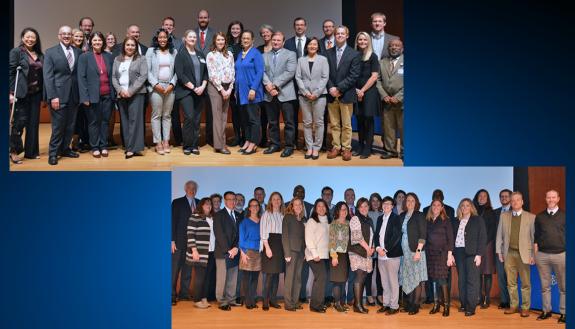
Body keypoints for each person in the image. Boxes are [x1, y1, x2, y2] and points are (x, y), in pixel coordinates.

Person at [43, 25, 82, 166]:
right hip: (58, 96)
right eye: (63, 34)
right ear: (59, 36)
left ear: (72, 36)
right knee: (58, 126)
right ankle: (53, 153)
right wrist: (52, 96)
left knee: (70, 125)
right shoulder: (50, 52)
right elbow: (48, 77)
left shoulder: (77, 52)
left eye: (69, 34)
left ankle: (65, 149)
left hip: (74, 95)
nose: (66, 36)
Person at [495, 191, 535, 317]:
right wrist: (499, 252)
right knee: (511, 282)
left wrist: (534, 255)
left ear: (522, 202)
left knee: (525, 283)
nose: (515, 202)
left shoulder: (531, 217)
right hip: (509, 253)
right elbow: (499, 235)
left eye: (518, 200)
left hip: (524, 254)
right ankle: (513, 305)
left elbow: (534, 238)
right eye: (513, 200)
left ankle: (525, 307)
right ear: (510, 203)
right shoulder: (504, 216)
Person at [325, 26, 360, 161]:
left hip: (346, 94)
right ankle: (336, 147)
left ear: (347, 36)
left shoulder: (354, 54)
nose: (339, 35)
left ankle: (346, 148)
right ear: (334, 36)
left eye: (342, 33)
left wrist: (339, 89)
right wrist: (331, 88)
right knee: (334, 124)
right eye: (337, 33)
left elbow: (354, 75)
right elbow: (325, 74)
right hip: (331, 94)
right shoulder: (327, 53)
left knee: (346, 124)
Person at [9, 27, 43, 164]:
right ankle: (13, 150)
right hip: (21, 94)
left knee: (33, 124)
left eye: (33, 37)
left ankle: (31, 152)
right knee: (18, 123)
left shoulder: (39, 54)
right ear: (22, 38)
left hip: (35, 94)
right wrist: (10, 93)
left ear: (36, 40)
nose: (30, 39)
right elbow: (10, 72)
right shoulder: (16, 52)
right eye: (27, 37)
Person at [77, 31, 115, 158]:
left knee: (105, 121)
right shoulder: (84, 57)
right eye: (95, 40)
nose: (97, 42)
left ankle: (104, 145)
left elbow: (112, 76)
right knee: (93, 122)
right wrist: (84, 97)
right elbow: (81, 78)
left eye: (99, 40)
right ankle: (95, 146)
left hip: (107, 95)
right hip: (92, 96)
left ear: (103, 42)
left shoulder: (109, 56)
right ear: (90, 42)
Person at [262, 31, 297, 158]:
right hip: (269, 93)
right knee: (272, 122)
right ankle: (275, 144)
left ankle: (289, 146)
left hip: (286, 93)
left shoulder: (291, 54)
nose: (276, 42)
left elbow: (290, 72)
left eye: (278, 40)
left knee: (289, 122)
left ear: (283, 42)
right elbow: (262, 72)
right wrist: (269, 86)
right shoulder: (264, 55)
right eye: (274, 40)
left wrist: (275, 85)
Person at [112, 36, 148, 159]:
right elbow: (113, 77)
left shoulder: (141, 59)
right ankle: (128, 146)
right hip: (121, 94)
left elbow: (143, 76)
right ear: (124, 46)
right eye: (128, 45)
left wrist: (130, 91)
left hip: (136, 94)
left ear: (136, 47)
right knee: (125, 121)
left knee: (135, 121)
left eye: (133, 45)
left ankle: (134, 148)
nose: (130, 47)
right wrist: (120, 90)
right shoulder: (117, 59)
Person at [174, 30, 208, 156]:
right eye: (190, 37)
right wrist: (194, 88)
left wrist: (203, 86)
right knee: (189, 117)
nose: (193, 38)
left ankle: (194, 144)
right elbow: (180, 74)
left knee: (197, 119)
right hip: (186, 92)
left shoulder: (200, 54)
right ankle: (187, 145)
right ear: (185, 39)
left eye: (194, 37)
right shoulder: (181, 55)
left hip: (200, 92)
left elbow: (206, 73)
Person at [534, 190, 565, 323]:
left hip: (561, 255)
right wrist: (535, 253)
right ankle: (546, 311)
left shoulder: (565, 215)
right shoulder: (539, 217)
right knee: (544, 286)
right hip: (542, 255)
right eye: (548, 197)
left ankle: (564, 313)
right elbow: (536, 236)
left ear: (558, 199)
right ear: (545, 199)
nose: (551, 199)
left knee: (564, 287)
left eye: (553, 197)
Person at [295, 37, 329, 160]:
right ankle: (309, 147)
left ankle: (316, 148)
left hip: (319, 96)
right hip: (304, 96)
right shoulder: (301, 60)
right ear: (307, 46)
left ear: (318, 46)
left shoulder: (323, 60)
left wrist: (316, 92)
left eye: (315, 44)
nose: (312, 46)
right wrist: (305, 92)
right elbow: (298, 77)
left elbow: (325, 77)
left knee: (319, 122)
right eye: (310, 44)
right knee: (307, 122)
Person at [452, 198, 487, 316]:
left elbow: (482, 238)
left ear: (471, 207)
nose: (465, 207)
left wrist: (479, 254)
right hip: (459, 252)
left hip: (472, 253)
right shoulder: (456, 221)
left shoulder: (478, 220)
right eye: (462, 205)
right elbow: (452, 238)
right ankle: (463, 304)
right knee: (462, 279)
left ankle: (471, 307)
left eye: (467, 205)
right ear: (460, 208)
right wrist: (451, 253)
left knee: (472, 280)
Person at [146, 28, 177, 155]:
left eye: (165, 37)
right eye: (160, 37)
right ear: (157, 39)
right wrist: (155, 84)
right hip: (156, 88)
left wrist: (172, 84)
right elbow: (147, 71)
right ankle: (158, 142)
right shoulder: (150, 51)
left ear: (168, 38)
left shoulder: (173, 51)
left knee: (167, 115)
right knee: (156, 115)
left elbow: (177, 71)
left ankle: (166, 141)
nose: (162, 39)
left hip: (170, 87)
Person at [235, 30, 264, 155]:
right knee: (245, 119)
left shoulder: (256, 53)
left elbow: (260, 72)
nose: (245, 40)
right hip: (241, 93)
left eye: (248, 38)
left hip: (252, 92)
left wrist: (253, 88)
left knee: (253, 119)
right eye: (243, 38)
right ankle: (247, 140)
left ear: (252, 40)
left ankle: (254, 143)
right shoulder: (240, 54)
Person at [171, 180, 200, 305]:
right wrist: (171, 240)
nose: (192, 190)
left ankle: (184, 294)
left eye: (194, 188)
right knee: (174, 270)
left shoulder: (199, 203)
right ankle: (171, 295)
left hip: (193, 244)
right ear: (185, 189)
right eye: (189, 187)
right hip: (178, 242)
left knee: (187, 271)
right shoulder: (177, 203)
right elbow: (172, 222)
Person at [206, 32, 235, 155]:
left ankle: (222, 142)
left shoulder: (229, 54)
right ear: (214, 41)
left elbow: (233, 71)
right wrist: (221, 89)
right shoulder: (210, 55)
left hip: (227, 87)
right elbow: (212, 74)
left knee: (224, 117)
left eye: (222, 40)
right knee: (217, 117)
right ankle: (219, 145)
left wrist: (230, 89)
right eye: (218, 40)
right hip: (215, 88)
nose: (220, 42)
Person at [353, 31, 380, 159]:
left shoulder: (373, 56)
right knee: (359, 119)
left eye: (365, 40)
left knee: (368, 120)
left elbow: (374, 76)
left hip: (369, 92)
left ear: (368, 42)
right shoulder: (354, 56)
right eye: (360, 40)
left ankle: (368, 148)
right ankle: (360, 146)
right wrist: (357, 90)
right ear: (357, 42)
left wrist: (362, 90)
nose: (362, 42)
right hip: (356, 91)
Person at [399, 192, 427, 315]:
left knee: (417, 279)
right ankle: (409, 303)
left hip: (416, 252)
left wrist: (418, 251)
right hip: (404, 254)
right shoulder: (402, 216)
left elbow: (423, 234)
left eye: (412, 201)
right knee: (408, 278)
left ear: (416, 203)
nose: (410, 202)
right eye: (408, 200)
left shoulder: (419, 215)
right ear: (405, 203)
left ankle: (415, 304)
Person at [425, 200, 455, 316]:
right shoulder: (428, 221)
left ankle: (446, 306)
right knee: (433, 280)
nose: (436, 207)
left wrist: (449, 255)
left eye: (438, 205)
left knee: (442, 280)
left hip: (442, 254)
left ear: (442, 207)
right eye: (434, 205)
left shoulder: (446, 220)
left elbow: (450, 239)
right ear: (431, 207)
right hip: (430, 254)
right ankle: (436, 305)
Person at [285, 17, 311, 147]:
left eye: (302, 25)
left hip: (309, 84)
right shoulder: (288, 43)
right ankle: (293, 141)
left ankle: (309, 143)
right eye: (297, 25)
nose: (299, 27)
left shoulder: (312, 42)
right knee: (292, 116)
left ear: (305, 27)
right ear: (294, 27)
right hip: (292, 85)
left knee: (309, 117)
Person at [374, 196, 402, 315]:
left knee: (393, 281)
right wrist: (378, 248)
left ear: (392, 206)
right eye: (384, 203)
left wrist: (385, 249)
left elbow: (396, 236)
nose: (386, 205)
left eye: (388, 204)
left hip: (392, 255)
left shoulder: (396, 218)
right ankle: (386, 304)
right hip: (380, 255)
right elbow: (376, 235)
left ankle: (394, 306)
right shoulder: (380, 218)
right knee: (384, 282)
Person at [376, 39, 404, 160]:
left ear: (402, 48)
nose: (394, 48)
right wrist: (384, 96)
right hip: (387, 101)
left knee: (404, 129)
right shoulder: (382, 62)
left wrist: (399, 97)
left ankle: (404, 152)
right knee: (388, 128)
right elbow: (378, 81)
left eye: (397, 46)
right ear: (388, 48)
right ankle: (390, 150)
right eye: (391, 46)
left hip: (402, 102)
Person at [187, 197, 216, 308]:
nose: (208, 206)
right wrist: (194, 250)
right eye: (206, 204)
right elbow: (190, 234)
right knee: (200, 277)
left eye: (210, 204)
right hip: (200, 253)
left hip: (211, 252)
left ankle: (204, 298)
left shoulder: (212, 218)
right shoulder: (195, 217)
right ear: (201, 206)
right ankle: (197, 300)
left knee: (207, 277)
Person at [214, 191, 241, 311]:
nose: (232, 201)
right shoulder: (219, 215)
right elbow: (219, 234)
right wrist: (228, 250)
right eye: (229, 199)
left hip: (234, 252)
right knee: (222, 278)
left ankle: (231, 299)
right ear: (225, 201)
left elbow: (239, 234)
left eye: (234, 199)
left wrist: (236, 248)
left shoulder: (238, 215)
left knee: (232, 277)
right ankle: (222, 301)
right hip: (223, 252)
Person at [348, 197, 374, 313]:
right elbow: (357, 236)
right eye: (361, 206)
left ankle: (358, 304)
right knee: (359, 276)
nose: (364, 208)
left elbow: (372, 236)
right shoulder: (355, 218)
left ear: (369, 207)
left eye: (366, 206)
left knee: (363, 276)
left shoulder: (368, 220)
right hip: (357, 251)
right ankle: (357, 305)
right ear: (358, 208)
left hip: (367, 251)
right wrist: (368, 248)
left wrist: (372, 247)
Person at [260, 191, 285, 310]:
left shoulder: (282, 215)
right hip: (270, 245)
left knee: (276, 276)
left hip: (280, 246)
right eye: (274, 199)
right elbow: (263, 233)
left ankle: (273, 300)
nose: (276, 201)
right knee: (269, 275)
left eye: (278, 199)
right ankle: (265, 301)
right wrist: (267, 248)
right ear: (270, 201)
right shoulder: (266, 214)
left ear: (281, 201)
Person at [472, 189, 497, 308]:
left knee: (487, 273)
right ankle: (479, 297)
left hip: (487, 245)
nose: (482, 197)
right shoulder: (472, 211)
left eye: (484, 196)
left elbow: (492, 230)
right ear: (477, 198)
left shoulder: (491, 212)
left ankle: (487, 297)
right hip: (474, 246)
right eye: (480, 196)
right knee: (477, 273)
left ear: (487, 198)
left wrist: (483, 243)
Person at [305, 199, 330, 313]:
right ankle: (315, 305)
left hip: (324, 255)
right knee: (321, 277)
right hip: (314, 255)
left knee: (320, 279)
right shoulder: (312, 221)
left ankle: (318, 303)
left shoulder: (328, 221)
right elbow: (309, 239)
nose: (321, 208)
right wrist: (314, 253)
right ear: (315, 209)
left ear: (326, 208)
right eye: (318, 206)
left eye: (323, 206)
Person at [282, 198, 306, 311]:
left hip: (300, 252)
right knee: (290, 278)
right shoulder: (288, 217)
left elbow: (303, 237)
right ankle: (288, 304)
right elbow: (285, 236)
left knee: (297, 278)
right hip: (291, 251)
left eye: (300, 204)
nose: (298, 206)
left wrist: (305, 251)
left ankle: (295, 302)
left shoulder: (301, 219)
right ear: (292, 206)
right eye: (295, 204)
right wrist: (287, 253)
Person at [195, 9, 214, 146]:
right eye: (201, 17)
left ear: (209, 19)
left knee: (211, 111)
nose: (203, 19)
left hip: (211, 79)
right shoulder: (191, 35)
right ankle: (195, 139)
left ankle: (210, 138)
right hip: (195, 79)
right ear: (198, 19)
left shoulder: (214, 34)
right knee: (195, 111)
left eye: (205, 17)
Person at [239, 198, 262, 310]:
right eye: (252, 205)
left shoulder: (262, 220)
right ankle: (248, 301)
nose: (254, 207)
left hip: (258, 253)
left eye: (256, 205)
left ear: (259, 207)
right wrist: (242, 253)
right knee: (246, 278)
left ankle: (252, 300)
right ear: (249, 208)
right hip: (247, 252)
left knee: (254, 278)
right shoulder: (245, 222)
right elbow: (241, 239)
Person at [225, 21, 244, 147]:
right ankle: (237, 136)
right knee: (235, 112)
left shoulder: (245, 45)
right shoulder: (227, 45)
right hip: (231, 84)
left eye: (238, 28)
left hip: (242, 83)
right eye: (233, 28)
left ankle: (245, 137)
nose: (235, 30)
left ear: (241, 30)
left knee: (244, 112)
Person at [329, 202, 350, 312]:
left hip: (346, 255)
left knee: (343, 280)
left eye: (345, 209)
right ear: (337, 211)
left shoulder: (348, 223)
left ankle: (341, 302)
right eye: (342, 209)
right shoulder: (333, 224)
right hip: (336, 254)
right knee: (337, 280)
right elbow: (331, 241)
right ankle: (337, 304)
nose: (344, 211)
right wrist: (334, 256)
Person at [318, 19, 336, 151]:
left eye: (330, 27)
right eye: (325, 27)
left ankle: (338, 144)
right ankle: (323, 143)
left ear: (334, 28)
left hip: (339, 85)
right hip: (323, 85)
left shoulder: (341, 42)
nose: (328, 29)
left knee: (338, 119)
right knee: (322, 117)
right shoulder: (318, 43)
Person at [493, 188, 512, 309]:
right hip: (499, 251)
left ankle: (513, 302)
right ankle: (504, 301)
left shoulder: (516, 211)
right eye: (502, 196)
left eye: (506, 196)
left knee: (511, 277)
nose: (504, 198)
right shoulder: (495, 213)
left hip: (512, 250)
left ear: (510, 198)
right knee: (501, 277)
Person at [366, 193, 383, 305]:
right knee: (369, 273)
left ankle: (380, 295)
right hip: (370, 248)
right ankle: (369, 295)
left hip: (381, 249)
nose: (375, 203)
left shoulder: (384, 214)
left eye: (377, 200)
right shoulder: (367, 214)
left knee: (380, 274)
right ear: (370, 202)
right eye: (373, 201)